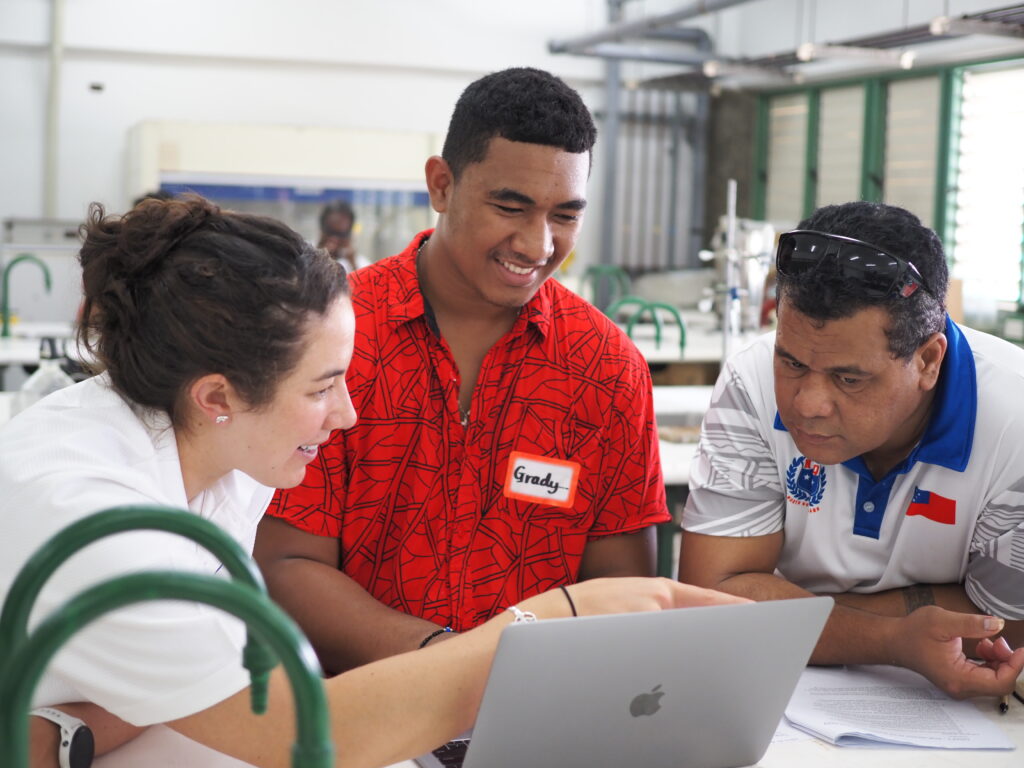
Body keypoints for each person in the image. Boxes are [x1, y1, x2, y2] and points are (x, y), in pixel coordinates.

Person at [0, 195, 741, 768]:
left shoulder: (216, 448)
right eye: (322, 388)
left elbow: (224, 673)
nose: (347, 415)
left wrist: (72, 726)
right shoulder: (100, 519)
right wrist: (556, 618)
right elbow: (314, 736)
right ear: (218, 396)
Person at [255, 67, 670, 674]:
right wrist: (447, 663)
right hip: (357, 708)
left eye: (565, 216)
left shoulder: (605, 369)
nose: (537, 244)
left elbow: (623, 590)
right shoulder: (334, 336)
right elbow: (287, 565)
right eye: (511, 206)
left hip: (535, 711)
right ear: (442, 185)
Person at [679, 201, 1024, 699]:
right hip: (780, 694)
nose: (809, 404)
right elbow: (711, 601)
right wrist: (895, 638)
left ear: (928, 360)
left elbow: (1004, 629)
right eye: (792, 364)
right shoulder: (749, 379)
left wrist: (780, 607)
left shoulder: (1014, 422)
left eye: (849, 378)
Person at [318, 199, 370, 273]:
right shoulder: (306, 257)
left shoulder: (362, 264)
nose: (334, 239)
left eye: (340, 234)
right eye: (330, 232)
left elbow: (366, 283)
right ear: (321, 231)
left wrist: (353, 264)